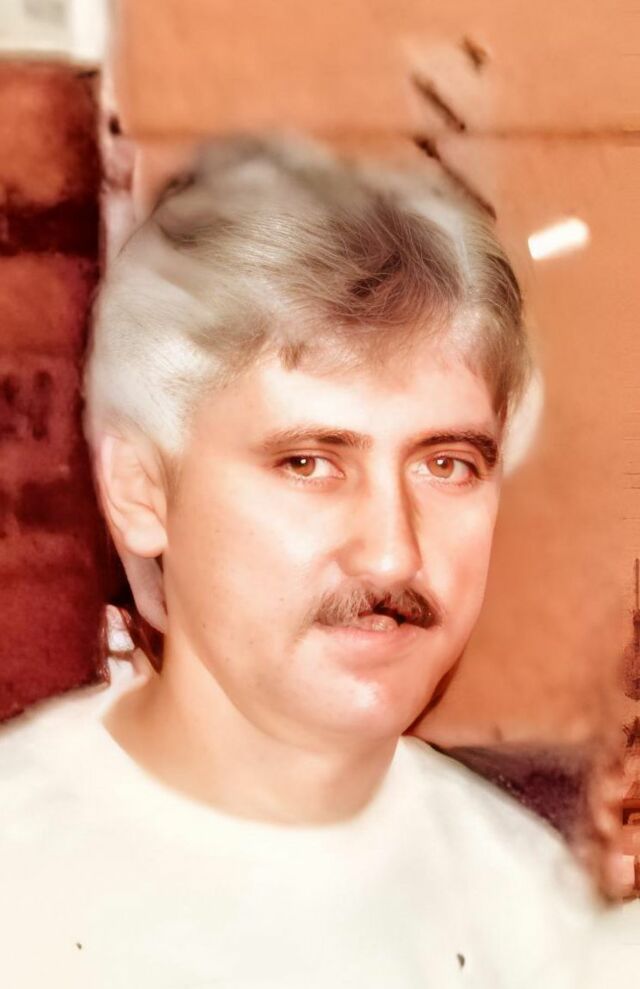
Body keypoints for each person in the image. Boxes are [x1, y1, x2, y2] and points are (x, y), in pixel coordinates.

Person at [1, 134, 601, 988]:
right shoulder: (21, 880)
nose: (393, 550)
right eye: (310, 463)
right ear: (141, 490)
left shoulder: (538, 918)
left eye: (446, 465)